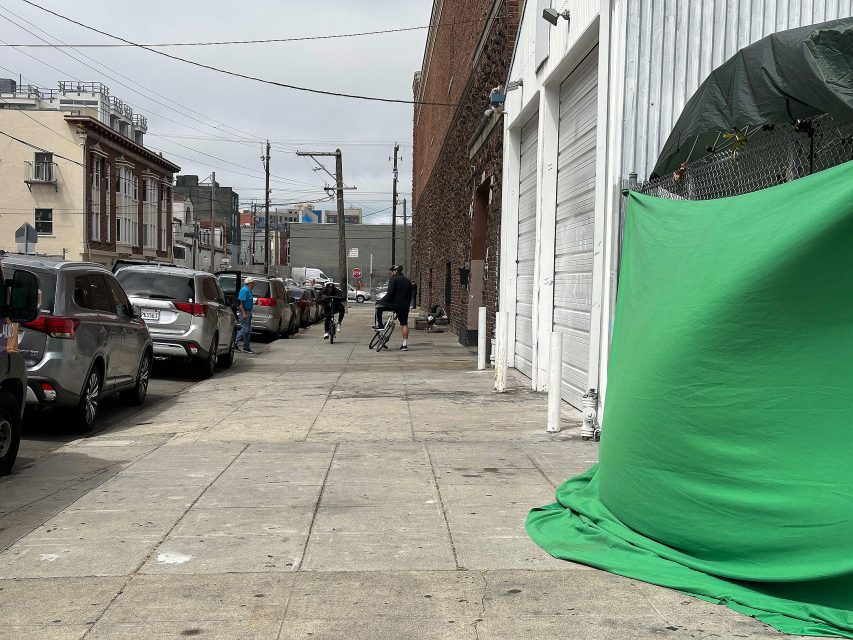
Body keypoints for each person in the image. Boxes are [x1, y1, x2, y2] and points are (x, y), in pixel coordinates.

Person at [374, 265, 413, 351]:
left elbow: (389, 294)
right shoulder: (408, 281)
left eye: (391, 271)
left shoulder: (393, 279)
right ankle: (404, 345)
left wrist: (380, 301)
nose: (390, 273)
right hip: (405, 306)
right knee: (404, 324)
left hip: (395, 305)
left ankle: (380, 325)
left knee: (378, 307)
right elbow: (411, 295)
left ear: (395, 271)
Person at [234, 276, 256, 353]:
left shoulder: (249, 290)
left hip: (248, 312)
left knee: (248, 330)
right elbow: (240, 303)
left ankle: (246, 347)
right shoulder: (245, 290)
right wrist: (243, 313)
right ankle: (234, 343)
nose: (254, 284)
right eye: (253, 283)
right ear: (250, 283)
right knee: (245, 329)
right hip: (244, 312)